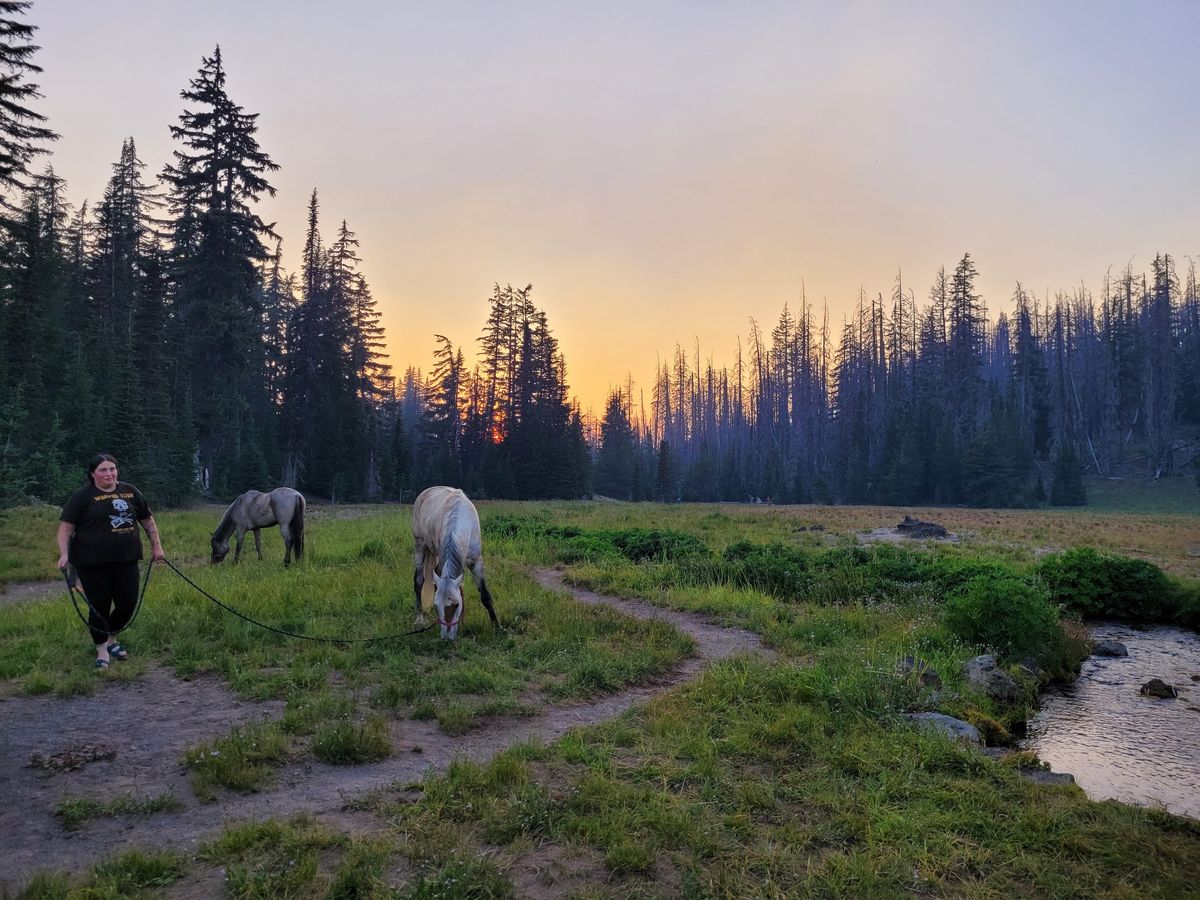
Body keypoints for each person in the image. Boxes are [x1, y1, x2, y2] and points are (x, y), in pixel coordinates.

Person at [56, 454, 165, 669]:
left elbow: (147, 520)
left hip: (127, 559)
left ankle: (111, 638)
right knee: (99, 606)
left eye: (112, 469)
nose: (109, 474)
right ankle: (102, 650)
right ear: (92, 474)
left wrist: (157, 546)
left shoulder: (130, 492)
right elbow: (66, 528)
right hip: (92, 562)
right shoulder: (82, 497)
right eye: (103, 470)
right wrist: (64, 553)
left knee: (127, 604)